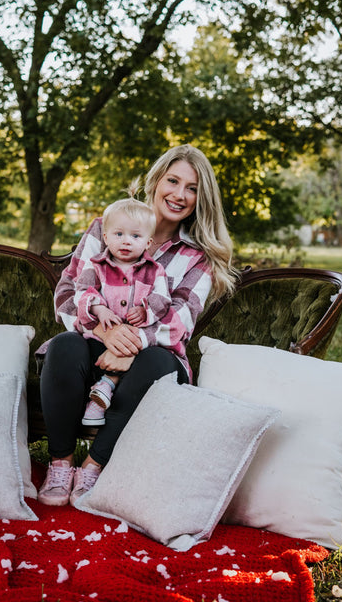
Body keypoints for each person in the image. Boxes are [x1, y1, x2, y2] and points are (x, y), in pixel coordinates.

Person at [37, 143, 238, 508]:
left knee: (159, 364)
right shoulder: (107, 226)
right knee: (65, 344)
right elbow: (69, 291)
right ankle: (60, 463)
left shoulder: (197, 256)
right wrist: (104, 332)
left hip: (151, 357)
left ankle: (93, 466)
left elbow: (180, 321)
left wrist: (131, 348)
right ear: (156, 180)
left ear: (201, 197)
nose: (179, 194)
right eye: (173, 181)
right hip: (97, 338)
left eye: (192, 188)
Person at [75, 193, 186, 427]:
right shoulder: (97, 266)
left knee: (137, 360)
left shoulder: (155, 271)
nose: (126, 241)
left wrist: (146, 310)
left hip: (135, 343)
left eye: (135, 236)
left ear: (147, 243)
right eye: (118, 234)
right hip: (103, 334)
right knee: (72, 346)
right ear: (105, 237)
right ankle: (102, 389)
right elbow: (83, 290)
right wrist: (100, 310)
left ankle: (101, 395)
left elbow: (162, 298)